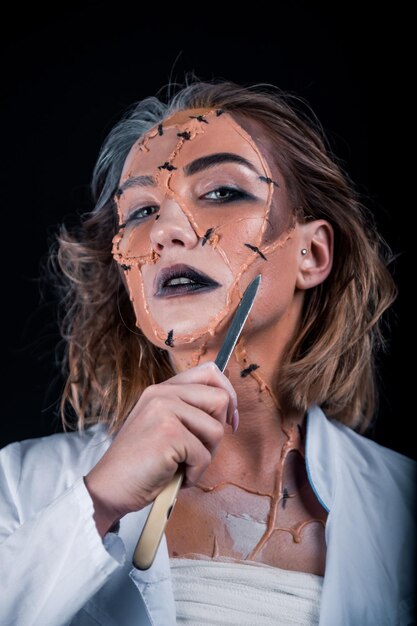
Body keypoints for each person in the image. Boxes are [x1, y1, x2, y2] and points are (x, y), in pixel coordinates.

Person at [0, 76, 415, 626]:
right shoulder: (21, 484)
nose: (167, 231)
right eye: (141, 211)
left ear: (312, 253)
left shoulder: (403, 505)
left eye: (222, 192)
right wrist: (95, 502)